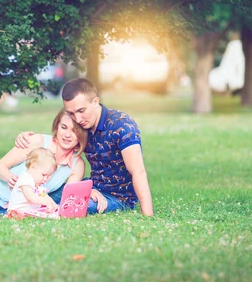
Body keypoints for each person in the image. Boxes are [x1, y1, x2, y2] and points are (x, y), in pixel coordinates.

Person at [16, 78, 154, 216]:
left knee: (71, 206)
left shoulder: (121, 126)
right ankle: (11, 209)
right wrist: (27, 138)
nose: (77, 118)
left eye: (81, 110)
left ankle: (36, 212)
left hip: (117, 197)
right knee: (45, 192)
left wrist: (148, 216)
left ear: (95, 102)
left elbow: (138, 172)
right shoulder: (82, 127)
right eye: (71, 113)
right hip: (90, 186)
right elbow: (59, 140)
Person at [6, 148, 60, 220]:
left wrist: (53, 204)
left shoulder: (37, 183)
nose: (45, 179)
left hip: (29, 211)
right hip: (17, 212)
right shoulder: (25, 179)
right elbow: (31, 198)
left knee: (51, 213)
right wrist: (46, 202)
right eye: (43, 175)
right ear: (32, 167)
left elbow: (44, 196)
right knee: (46, 216)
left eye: (48, 176)